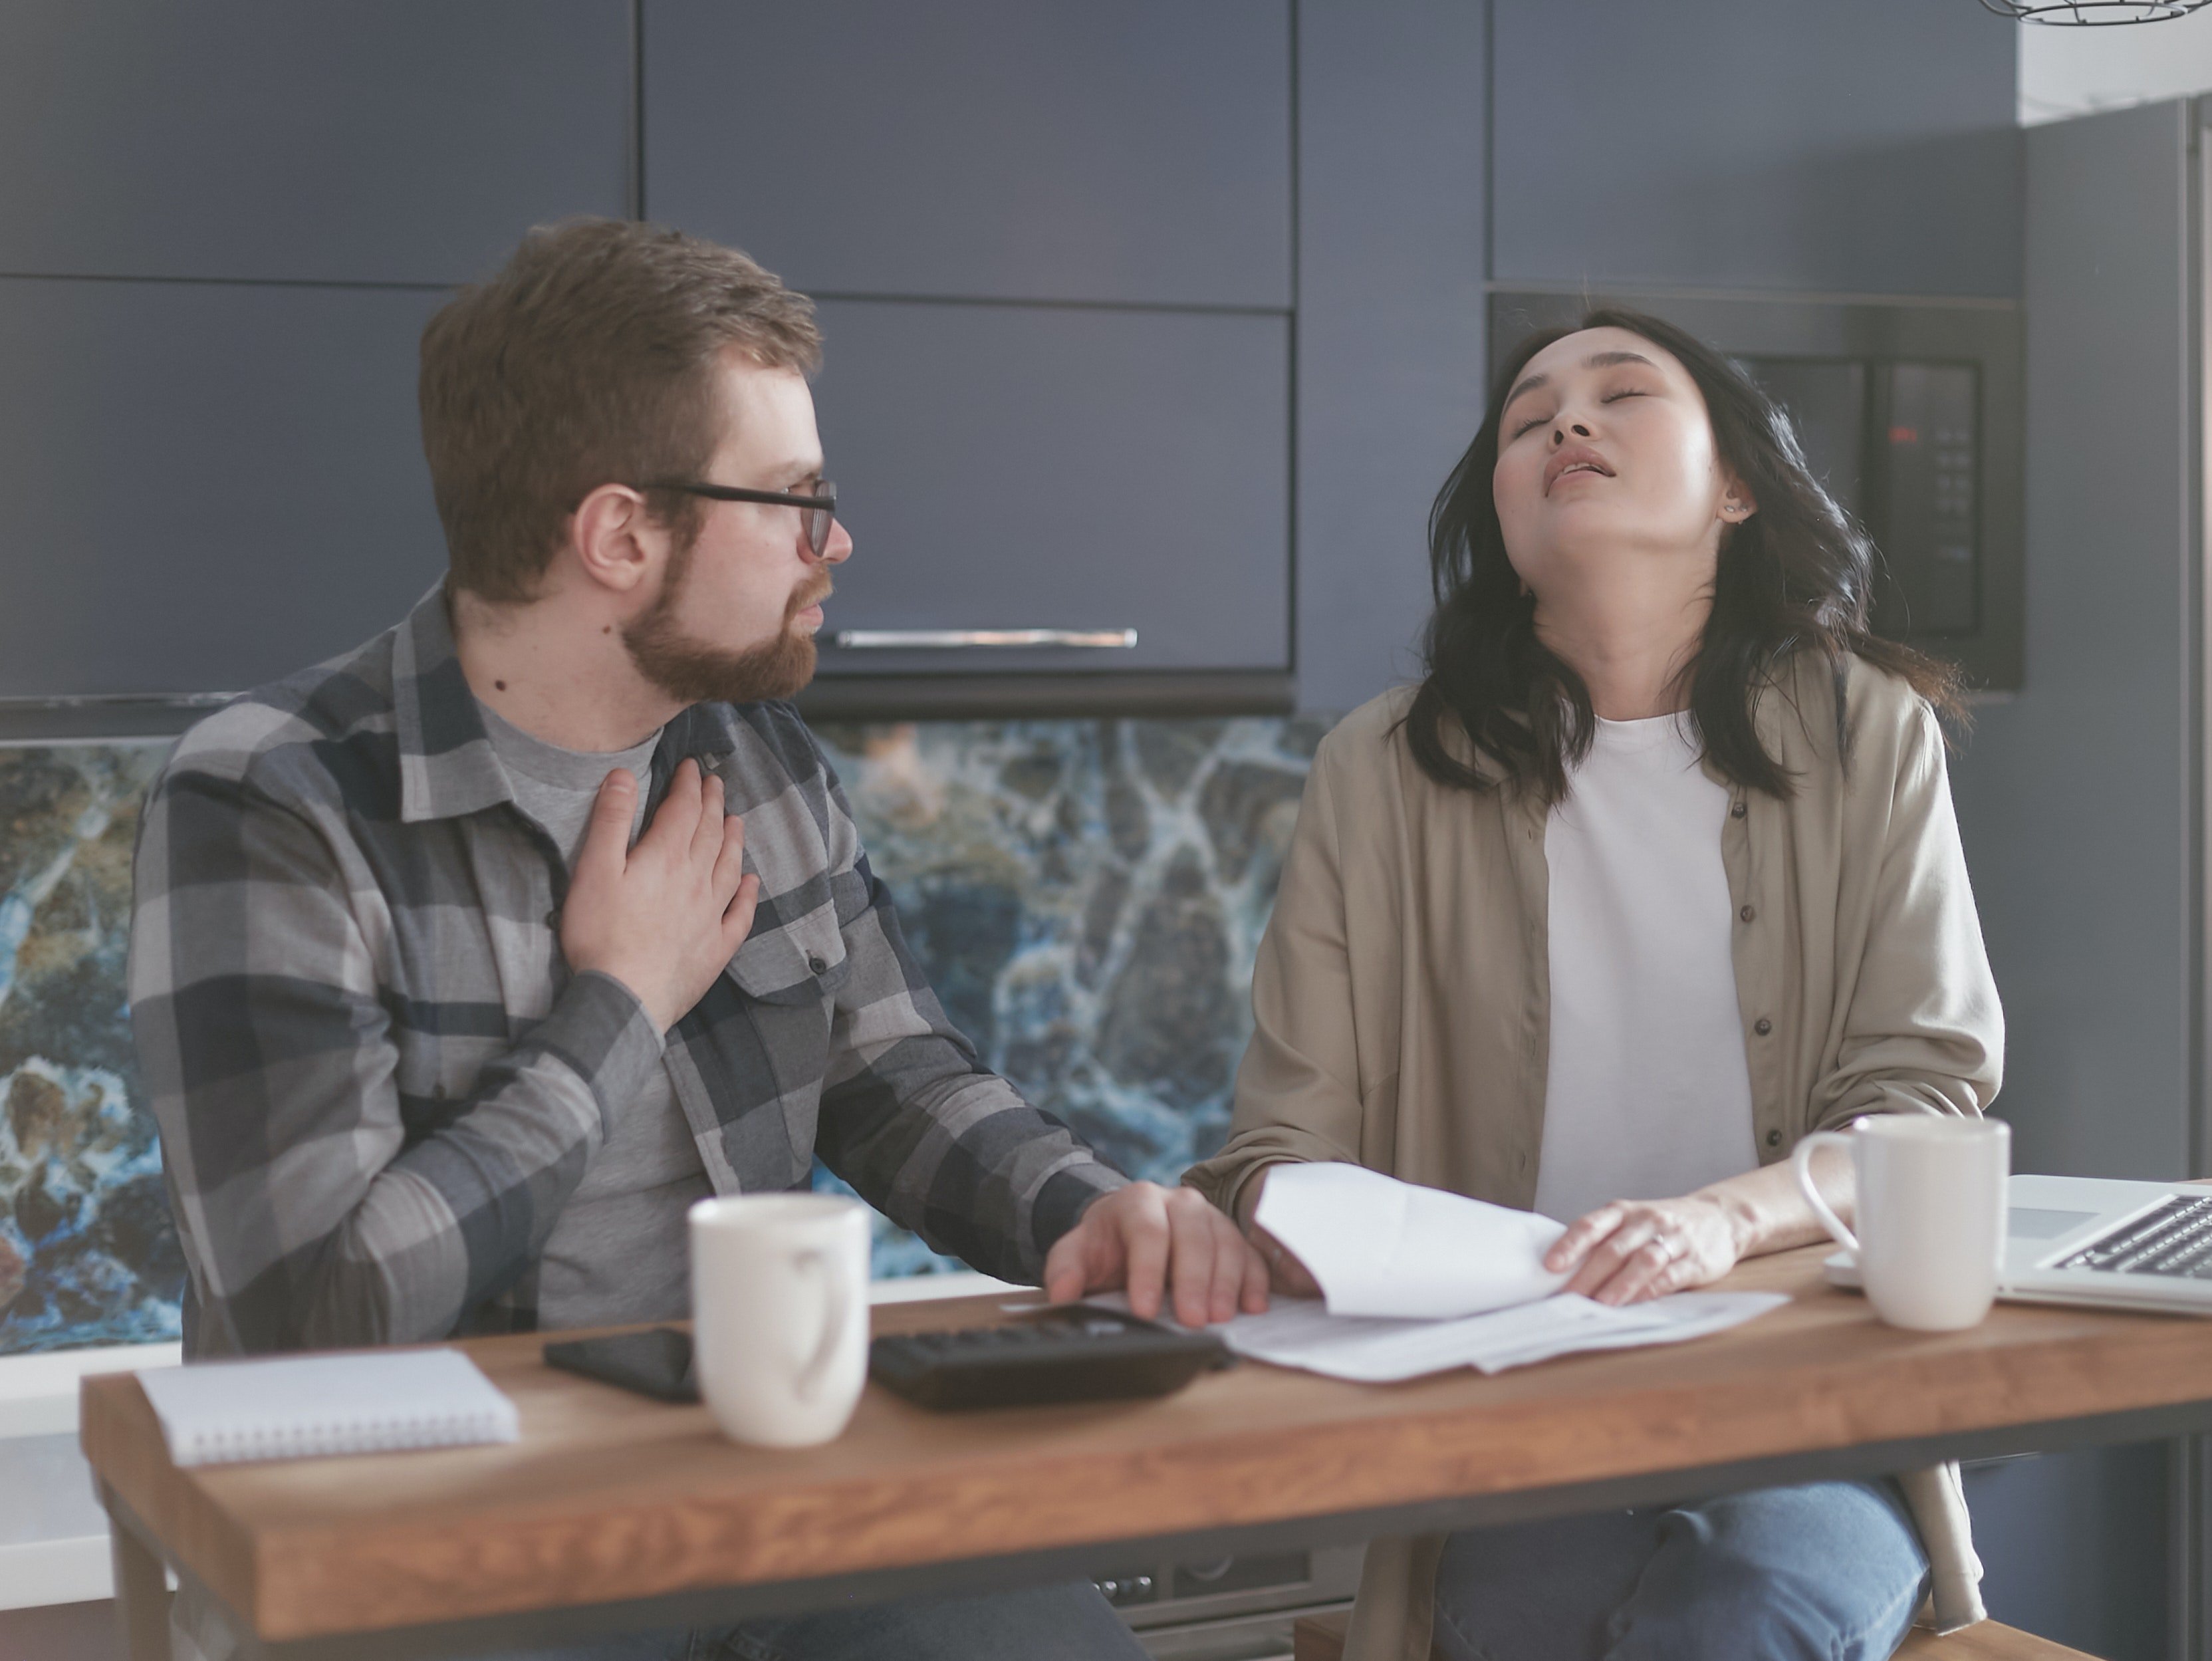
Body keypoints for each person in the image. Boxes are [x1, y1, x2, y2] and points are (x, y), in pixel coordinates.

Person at [128, 217, 1266, 1661]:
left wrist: (1083, 1210)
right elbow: (319, 1309)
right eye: (794, 498)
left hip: (756, 1503)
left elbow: (896, 1072)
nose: (836, 541)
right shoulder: (275, 795)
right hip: (425, 1550)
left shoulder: (757, 763)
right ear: (620, 534)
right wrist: (618, 1003)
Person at [1183, 307, 2003, 1661]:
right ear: (1500, 520)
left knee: (1746, 1607)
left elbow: (1923, 1096)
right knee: (1532, 1622)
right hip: (1515, 1415)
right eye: (1526, 419)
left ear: (1734, 486)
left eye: (1620, 393)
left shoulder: (1865, 728)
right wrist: (1265, 1209)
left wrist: (1713, 1227)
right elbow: (1281, 1145)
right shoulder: (1378, 769)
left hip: (1802, 1407)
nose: (1566, 421)